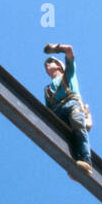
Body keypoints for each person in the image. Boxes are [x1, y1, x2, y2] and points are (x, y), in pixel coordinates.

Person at [43, 43, 93, 177]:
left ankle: (85, 162)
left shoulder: (68, 73)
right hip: (57, 111)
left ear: (59, 66)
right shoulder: (47, 90)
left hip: (72, 104)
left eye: (50, 62)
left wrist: (54, 48)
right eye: (46, 64)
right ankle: (74, 166)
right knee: (63, 136)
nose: (47, 65)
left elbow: (69, 50)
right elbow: (47, 111)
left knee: (77, 125)